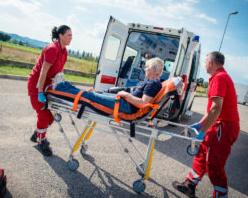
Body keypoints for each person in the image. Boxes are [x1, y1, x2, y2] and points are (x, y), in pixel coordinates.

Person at [173, 51, 240, 198]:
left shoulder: (220, 78)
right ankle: (190, 185)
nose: (204, 65)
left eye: (205, 62)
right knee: (202, 153)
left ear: (211, 63)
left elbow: (217, 108)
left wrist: (203, 130)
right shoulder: (219, 76)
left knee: (214, 164)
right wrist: (200, 124)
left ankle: (221, 195)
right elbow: (212, 110)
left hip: (224, 126)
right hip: (220, 124)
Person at [55, 57, 164, 114]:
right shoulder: (153, 82)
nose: (145, 69)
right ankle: (65, 86)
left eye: (147, 67)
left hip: (125, 105)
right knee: (95, 93)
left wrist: (126, 95)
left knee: (91, 97)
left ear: (153, 69)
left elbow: (143, 103)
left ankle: (60, 87)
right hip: (124, 102)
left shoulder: (153, 83)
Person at [27, 25, 72, 156]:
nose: (71, 38)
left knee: (50, 119)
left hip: (48, 85)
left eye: (71, 35)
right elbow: (43, 70)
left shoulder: (64, 51)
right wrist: (40, 91)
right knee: (43, 115)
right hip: (37, 84)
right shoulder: (52, 49)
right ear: (61, 36)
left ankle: (37, 133)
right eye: (68, 35)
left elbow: (59, 71)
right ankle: (41, 141)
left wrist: (61, 86)